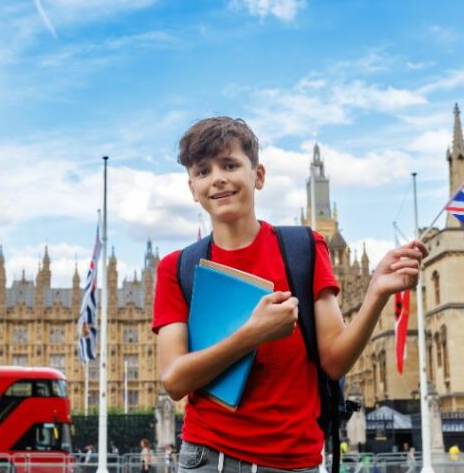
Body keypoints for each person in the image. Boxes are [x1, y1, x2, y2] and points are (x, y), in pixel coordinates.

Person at [152, 117, 425, 471]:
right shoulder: (178, 267)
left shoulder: (303, 248)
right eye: (203, 171)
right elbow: (174, 380)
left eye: (230, 164)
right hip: (211, 457)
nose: (217, 177)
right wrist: (252, 335)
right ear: (192, 188)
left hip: (298, 460)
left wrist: (376, 293)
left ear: (258, 175)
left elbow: (335, 361)